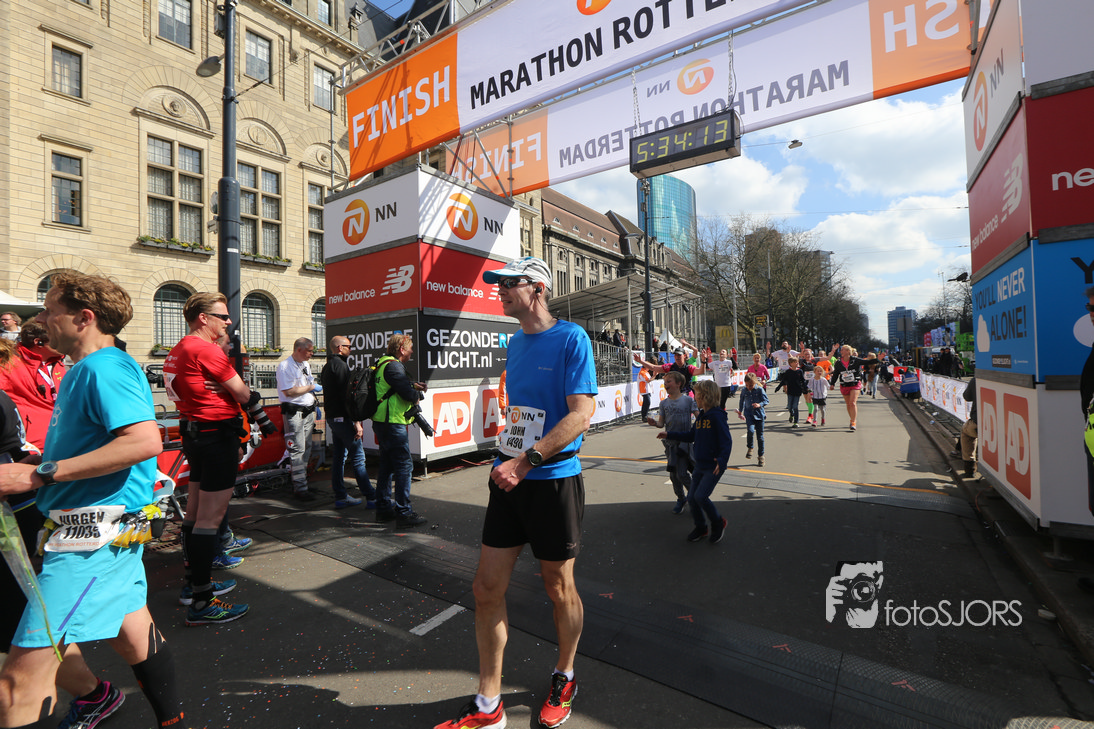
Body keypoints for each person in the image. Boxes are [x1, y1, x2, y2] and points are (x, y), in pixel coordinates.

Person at [0, 271, 187, 728]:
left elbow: (143, 441)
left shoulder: (103, 367)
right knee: (134, 635)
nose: (40, 320)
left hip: (89, 540)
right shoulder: (86, 368)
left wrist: (38, 474)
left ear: (84, 318)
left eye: (50, 311)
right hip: (103, 532)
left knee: (16, 687)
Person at [435, 257, 596, 729]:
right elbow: (524, 413)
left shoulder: (572, 338)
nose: (500, 290)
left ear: (538, 288)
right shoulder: (516, 342)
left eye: (510, 283)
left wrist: (527, 461)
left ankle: (565, 675)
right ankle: (488, 705)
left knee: (558, 587)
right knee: (486, 588)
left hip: (551, 479)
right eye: (498, 283)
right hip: (508, 478)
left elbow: (582, 414)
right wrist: (508, 454)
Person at [164, 292, 253, 623]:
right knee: (208, 520)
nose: (228, 322)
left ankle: (194, 586)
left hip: (195, 433)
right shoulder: (206, 349)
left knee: (194, 514)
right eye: (223, 316)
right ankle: (202, 601)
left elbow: (177, 391)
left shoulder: (178, 349)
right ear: (203, 318)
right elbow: (243, 392)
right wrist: (233, 391)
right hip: (215, 436)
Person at [659, 379, 731, 544]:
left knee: (701, 496)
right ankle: (701, 527)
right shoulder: (701, 417)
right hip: (700, 465)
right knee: (692, 498)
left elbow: (726, 441)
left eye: (697, 394)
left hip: (713, 466)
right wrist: (669, 434)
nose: (694, 397)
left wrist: (722, 460)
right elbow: (691, 436)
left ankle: (718, 522)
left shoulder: (717, 416)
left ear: (705, 396)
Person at [372, 334, 428, 527]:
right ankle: (404, 513)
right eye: (410, 348)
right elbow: (407, 394)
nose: (412, 352)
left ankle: (383, 510)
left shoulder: (382, 363)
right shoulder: (394, 366)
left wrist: (412, 385)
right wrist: (416, 394)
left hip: (383, 422)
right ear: (401, 349)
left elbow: (395, 386)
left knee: (387, 466)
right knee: (404, 466)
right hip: (392, 423)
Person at [320, 335, 375, 510]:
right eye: (349, 346)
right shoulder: (341, 366)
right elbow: (348, 397)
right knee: (358, 457)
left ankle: (341, 496)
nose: (351, 349)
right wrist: (356, 422)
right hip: (342, 418)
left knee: (339, 457)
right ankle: (371, 497)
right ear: (339, 348)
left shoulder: (328, 366)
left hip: (333, 417)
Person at [0, 321, 66, 452]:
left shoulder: (57, 363)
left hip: (61, 439)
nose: (64, 342)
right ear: (38, 342)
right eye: (58, 338)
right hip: (29, 448)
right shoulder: (8, 364)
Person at [276, 337, 321, 501]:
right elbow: (289, 392)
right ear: (299, 350)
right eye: (309, 351)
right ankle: (300, 488)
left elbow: (306, 384)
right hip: (294, 412)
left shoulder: (305, 365)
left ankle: (303, 482)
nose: (311, 354)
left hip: (307, 410)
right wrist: (311, 387)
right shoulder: (285, 366)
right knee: (297, 449)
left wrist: (313, 398)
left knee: (306, 447)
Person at [646, 371, 697, 514]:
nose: (666, 384)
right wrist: (655, 423)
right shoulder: (664, 403)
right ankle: (681, 498)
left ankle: (695, 497)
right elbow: (661, 424)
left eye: (669, 381)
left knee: (682, 473)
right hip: (670, 444)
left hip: (684, 443)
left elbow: (699, 417)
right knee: (674, 475)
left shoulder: (688, 401)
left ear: (679, 384)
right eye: (665, 382)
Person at [830, 344, 872, 431]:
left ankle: (853, 421)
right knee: (848, 404)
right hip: (844, 384)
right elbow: (836, 373)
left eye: (842, 349)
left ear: (848, 351)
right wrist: (832, 383)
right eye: (841, 350)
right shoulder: (838, 362)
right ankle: (852, 419)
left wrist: (878, 359)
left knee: (852, 403)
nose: (841, 351)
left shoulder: (855, 360)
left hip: (855, 383)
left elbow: (866, 362)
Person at [637, 345, 708, 395]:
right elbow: (653, 367)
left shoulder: (689, 367)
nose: (677, 357)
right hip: (673, 395)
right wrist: (641, 361)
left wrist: (703, 361)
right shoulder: (670, 367)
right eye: (675, 355)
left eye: (679, 355)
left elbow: (701, 371)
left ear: (684, 356)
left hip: (686, 394)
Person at [737, 372, 769, 466]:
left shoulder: (759, 389)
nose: (748, 387)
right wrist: (740, 411)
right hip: (749, 415)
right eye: (746, 385)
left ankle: (761, 456)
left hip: (759, 415)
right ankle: (750, 447)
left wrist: (759, 404)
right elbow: (741, 401)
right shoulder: (744, 390)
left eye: (750, 385)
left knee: (760, 437)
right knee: (750, 431)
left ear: (755, 382)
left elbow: (766, 400)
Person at [774, 356, 808, 427]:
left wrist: (805, 387)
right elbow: (784, 380)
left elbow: (802, 380)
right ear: (791, 363)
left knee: (795, 406)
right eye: (795, 362)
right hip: (790, 391)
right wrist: (778, 387)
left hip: (797, 391)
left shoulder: (800, 371)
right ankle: (791, 414)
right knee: (789, 406)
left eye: (797, 362)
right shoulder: (788, 372)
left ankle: (796, 422)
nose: (797, 363)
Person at [960, 377, 977, 478]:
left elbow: (967, 396)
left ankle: (970, 469)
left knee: (966, 432)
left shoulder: (976, 379)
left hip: (978, 422)